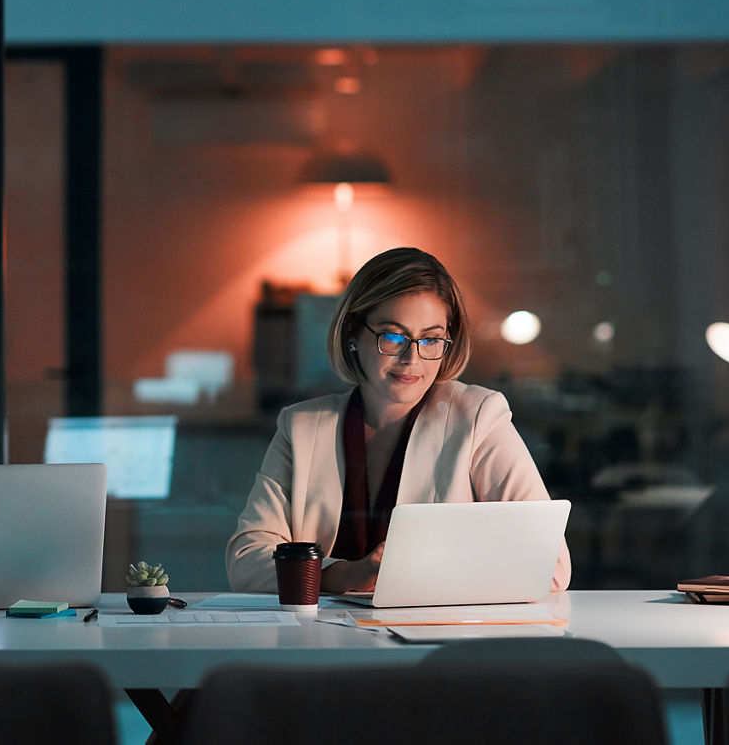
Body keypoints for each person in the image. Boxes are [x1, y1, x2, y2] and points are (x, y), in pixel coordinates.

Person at [226, 246, 571, 594]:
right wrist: (340, 576)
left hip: (433, 638)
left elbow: (551, 566)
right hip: (321, 641)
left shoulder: (479, 417)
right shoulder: (300, 426)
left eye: (431, 339)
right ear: (352, 335)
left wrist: (410, 577)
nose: (412, 358)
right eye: (393, 336)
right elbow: (246, 560)